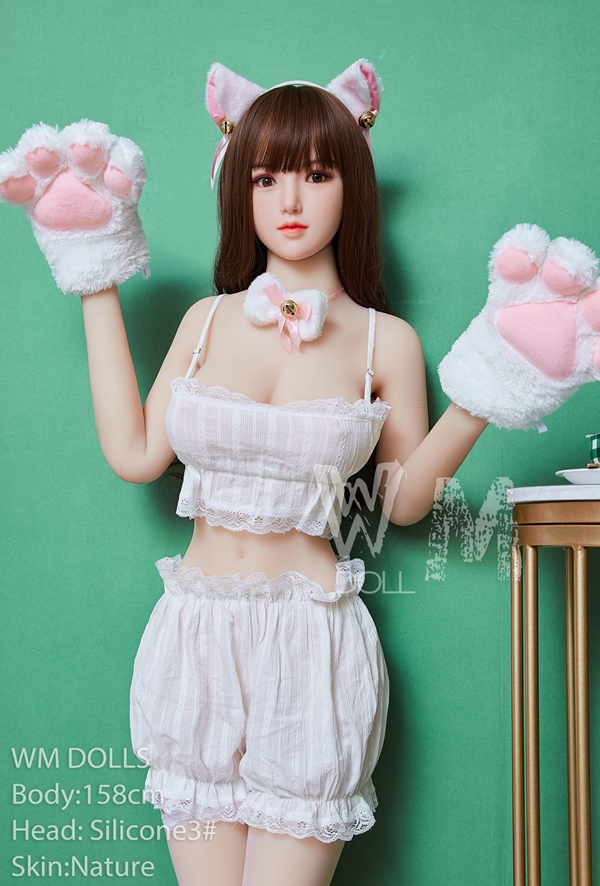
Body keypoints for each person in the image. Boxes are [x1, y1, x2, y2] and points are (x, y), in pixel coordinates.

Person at [3, 58, 596, 886]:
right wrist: (92, 272)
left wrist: (491, 389)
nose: (290, 200)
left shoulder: (385, 341)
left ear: (352, 186)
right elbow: (135, 454)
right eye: (266, 177)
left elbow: (403, 503)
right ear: (238, 190)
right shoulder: (206, 321)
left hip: (311, 650)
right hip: (194, 640)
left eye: (317, 175)